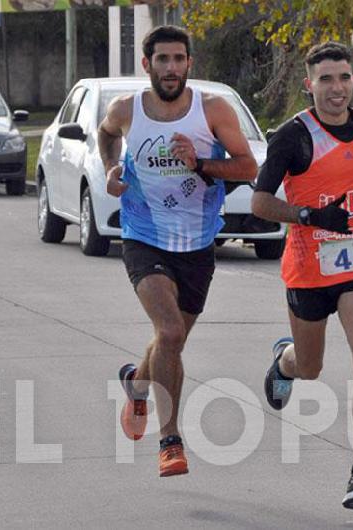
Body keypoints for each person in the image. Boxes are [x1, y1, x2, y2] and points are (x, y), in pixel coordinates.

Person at [98, 25, 257, 477]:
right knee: (168, 332)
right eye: (162, 60)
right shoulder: (127, 109)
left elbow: (248, 167)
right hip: (143, 234)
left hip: (198, 243)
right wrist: (112, 167)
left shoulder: (213, 111)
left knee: (173, 340)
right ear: (146, 65)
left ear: (190, 64)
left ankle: (136, 382)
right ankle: (170, 440)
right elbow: (106, 133)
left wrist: (201, 163)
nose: (171, 68)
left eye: (179, 59)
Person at [251, 41, 353, 509]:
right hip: (309, 266)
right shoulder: (293, 137)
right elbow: (259, 203)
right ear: (308, 84)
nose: (336, 88)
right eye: (326, 80)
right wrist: (310, 216)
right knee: (310, 368)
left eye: (344, 78)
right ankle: (285, 362)